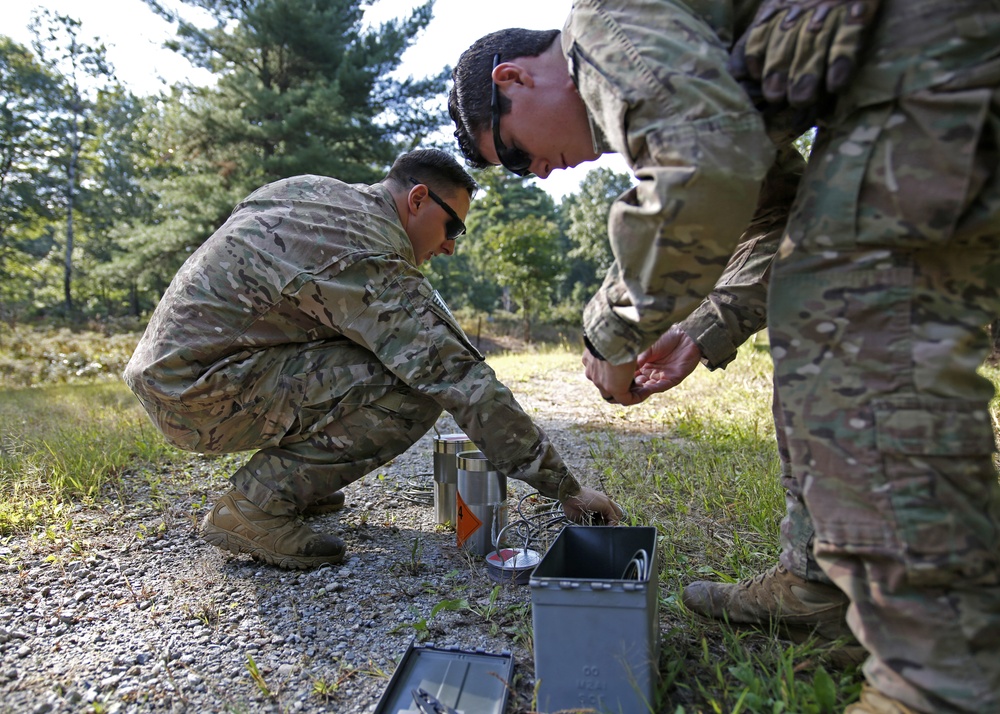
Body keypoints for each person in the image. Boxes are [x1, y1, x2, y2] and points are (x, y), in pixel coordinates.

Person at [449, 2, 1000, 713]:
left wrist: (610, 332)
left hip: (930, 49)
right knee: (819, 295)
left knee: (856, 308)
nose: (542, 175)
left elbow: (704, 161)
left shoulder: (601, 28)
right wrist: (704, 327)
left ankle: (937, 680)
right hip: (904, 71)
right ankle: (817, 584)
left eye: (517, 156)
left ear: (515, 78)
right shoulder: (666, 75)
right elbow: (776, 209)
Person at [123, 148, 621, 571]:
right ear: (418, 198)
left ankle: (296, 483)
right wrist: (565, 489)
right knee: (414, 386)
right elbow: (456, 375)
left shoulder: (318, 191)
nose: (449, 246)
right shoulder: (370, 254)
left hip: (184, 373)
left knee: (388, 357)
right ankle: (257, 504)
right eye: (452, 227)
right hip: (198, 395)